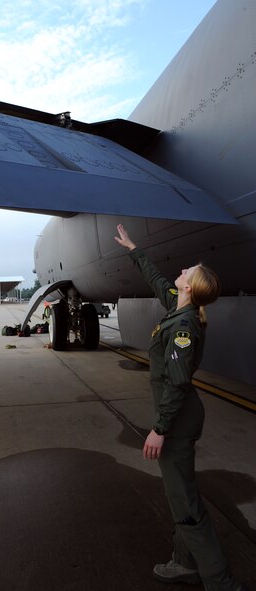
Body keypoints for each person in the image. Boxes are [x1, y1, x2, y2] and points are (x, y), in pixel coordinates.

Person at [114, 224, 246, 591]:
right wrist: (134, 249)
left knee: (185, 500)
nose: (183, 270)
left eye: (189, 271)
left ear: (189, 286)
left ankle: (220, 581)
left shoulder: (185, 325)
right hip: (177, 415)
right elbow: (157, 280)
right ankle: (184, 562)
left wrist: (159, 428)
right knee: (178, 493)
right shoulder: (179, 305)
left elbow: (177, 383)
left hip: (178, 418)